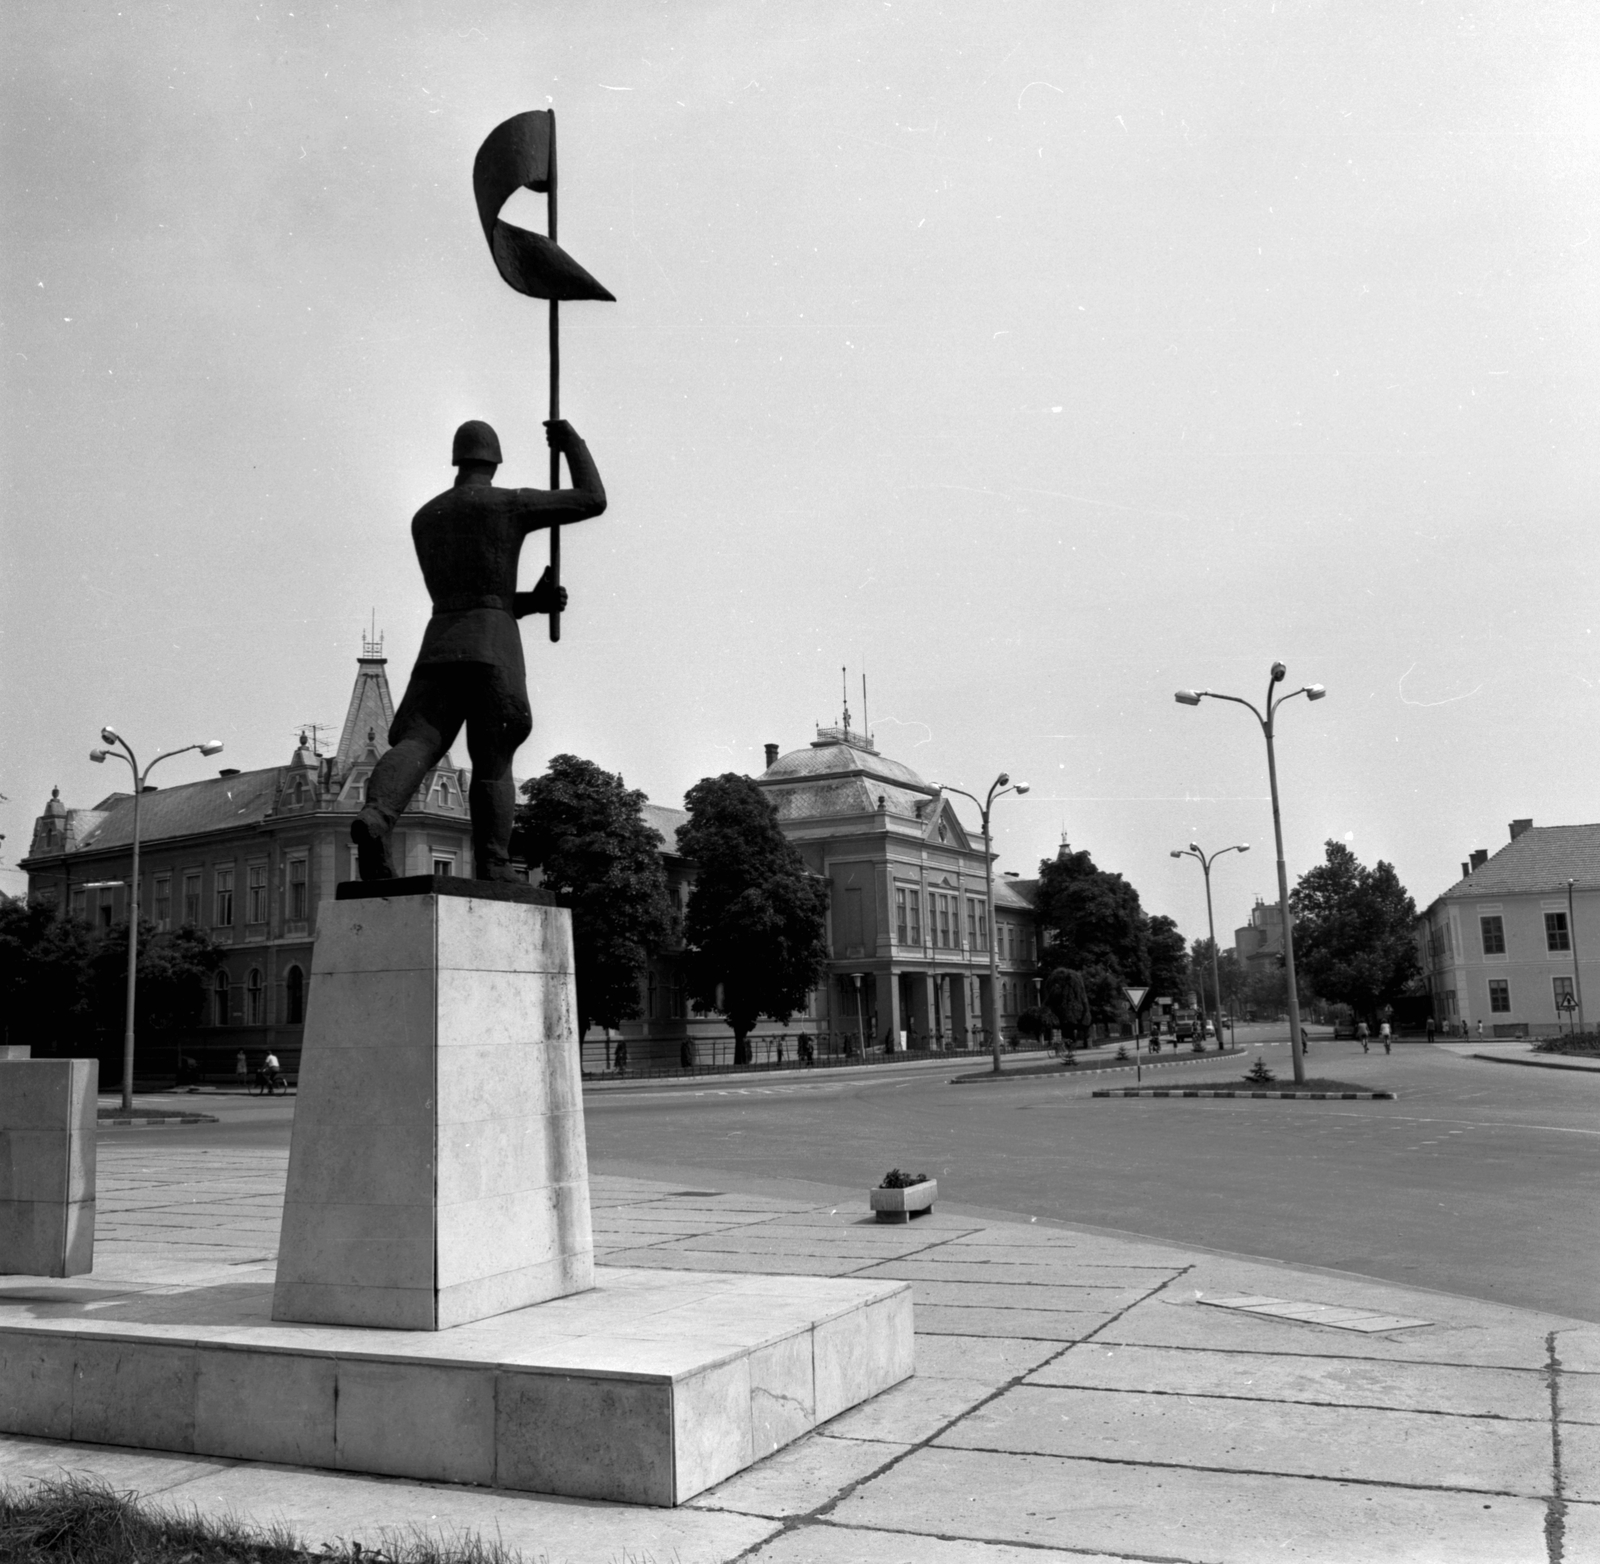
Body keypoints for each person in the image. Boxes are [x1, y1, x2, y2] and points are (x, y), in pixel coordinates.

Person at [352, 418, 605, 881]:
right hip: (493, 646)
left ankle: (376, 817)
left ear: (457, 457)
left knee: (419, 741)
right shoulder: (507, 503)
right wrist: (570, 442)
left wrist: (531, 602)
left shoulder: (426, 517)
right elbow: (592, 499)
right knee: (494, 758)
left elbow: (470, 589)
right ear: (495, 458)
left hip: (440, 644)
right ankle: (494, 861)